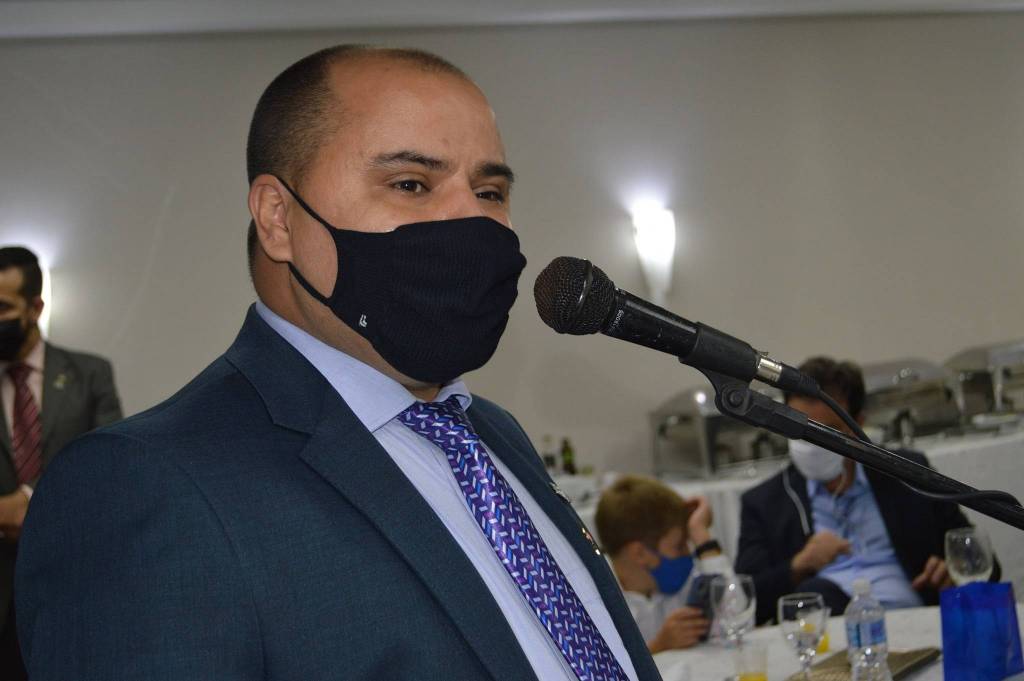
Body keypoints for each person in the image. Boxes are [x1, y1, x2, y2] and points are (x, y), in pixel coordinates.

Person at [15, 46, 661, 681]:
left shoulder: (493, 433)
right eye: (411, 184)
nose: (471, 218)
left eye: (490, 190)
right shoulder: (146, 484)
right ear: (278, 218)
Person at [735, 356, 999, 625]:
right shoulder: (765, 503)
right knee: (816, 593)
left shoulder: (905, 473)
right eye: (798, 427)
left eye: (825, 430)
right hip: (829, 630)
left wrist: (953, 571)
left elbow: (985, 565)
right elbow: (745, 602)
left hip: (911, 619)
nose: (810, 442)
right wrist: (799, 565)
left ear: (857, 424)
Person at [0, 246, 121, 679]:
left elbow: (109, 467)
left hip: (73, 583)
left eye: (3, 307)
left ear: (35, 307)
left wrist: (32, 501)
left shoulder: (89, 374)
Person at [596, 475, 731, 654]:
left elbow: (736, 620)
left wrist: (701, 535)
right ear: (640, 553)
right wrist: (659, 646)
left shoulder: (679, 581)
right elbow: (599, 664)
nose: (688, 554)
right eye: (679, 546)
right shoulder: (595, 600)